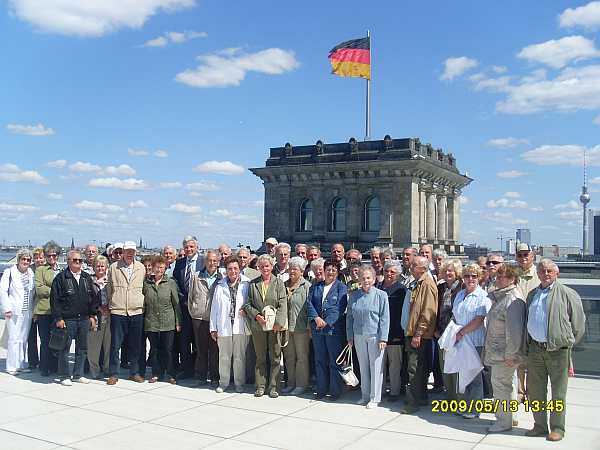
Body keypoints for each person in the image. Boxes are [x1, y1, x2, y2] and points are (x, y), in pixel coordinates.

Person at [525, 259, 586, 442]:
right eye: (542, 270)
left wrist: (567, 344)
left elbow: (578, 324)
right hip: (535, 349)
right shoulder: (532, 294)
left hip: (558, 351)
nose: (545, 274)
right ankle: (539, 426)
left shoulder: (568, 294)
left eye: (549, 271)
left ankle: (558, 428)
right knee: (536, 391)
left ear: (556, 272)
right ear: (537, 273)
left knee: (558, 392)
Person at [484, 263, 526, 433]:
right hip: (499, 350)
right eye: (498, 276)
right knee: (507, 385)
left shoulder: (512, 299)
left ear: (512, 279)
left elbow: (515, 331)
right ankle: (510, 417)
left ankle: (503, 421)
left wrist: (511, 354)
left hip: (504, 353)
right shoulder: (502, 296)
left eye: (503, 276)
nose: (498, 279)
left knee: (500, 386)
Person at [243, 254, 287, 398]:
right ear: (258, 268)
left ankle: (274, 387)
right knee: (260, 357)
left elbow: (282, 304)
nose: (265, 268)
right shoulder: (253, 283)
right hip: (258, 326)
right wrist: (256, 316)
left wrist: (278, 323)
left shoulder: (279, 283)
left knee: (275, 357)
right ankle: (260, 386)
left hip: (274, 327)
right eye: (262, 266)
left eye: (267, 266)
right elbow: (248, 304)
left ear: (271, 266)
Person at [50, 250, 97, 385]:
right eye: (75, 260)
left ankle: (78, 374)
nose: (78, 263)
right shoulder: (60, 278)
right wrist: (58, 318)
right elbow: (55, 300)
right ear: (68, 261)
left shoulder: (86, 277)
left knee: (82, 348)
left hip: (83, 319)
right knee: (64, 348)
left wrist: (92, 315)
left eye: (80, 260)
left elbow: (93, 298)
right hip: (67, 320)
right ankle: (64, 376)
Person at [347, 265, 390, 408]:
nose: (365, 280)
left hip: (375, 336)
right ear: (359, 279)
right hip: (358, 335)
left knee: (376, 367)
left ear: (373, 279)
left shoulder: (381, 295)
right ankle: (365, 395)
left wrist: (383, 338)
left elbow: (385, 318)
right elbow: (349, 318)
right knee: (363, 367)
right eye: (363, 278)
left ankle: (375, 398)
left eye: (368, 278)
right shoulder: (354, 296)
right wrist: (350, 336)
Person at [452, 263, 491, 419]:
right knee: (463, 375)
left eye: (473, 276)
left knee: (475, 376)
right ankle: (465, 405)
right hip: (461, 341)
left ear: (479, 278)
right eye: (467, 276)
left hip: (475, 341)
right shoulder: (460, 295)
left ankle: (475, 409)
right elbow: (455, 315)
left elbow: (479, 319)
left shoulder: (483, 296)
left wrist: (462, 331)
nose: (470, 279)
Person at [400, 256, 438, 414]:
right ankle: (420, 397)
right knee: (418, 368)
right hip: (414, 332)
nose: (411, 266)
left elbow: (428, 312)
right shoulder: (419, 282)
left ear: (423, 268)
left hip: (418, 335)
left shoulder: (427, 284)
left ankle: (413, 402)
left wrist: (418, 333)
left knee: (414, 369)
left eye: (414, 265)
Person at [106, 241, 146, 385]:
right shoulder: (114, 267)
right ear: (123, 252)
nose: (130, 254)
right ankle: (113, 373)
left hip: (136, 310)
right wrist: (113, 303)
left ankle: (134, 372)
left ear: (135, 253)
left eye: (132, 251)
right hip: (119, 310)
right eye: (127, 251)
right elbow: (109, 288)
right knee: (115, 344)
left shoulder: (141, 268)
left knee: (136, 344)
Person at [307, 259, 348, 400]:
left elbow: (339, 308)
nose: (330, 272)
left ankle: (335, 391)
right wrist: (316, 318)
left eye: (333, 270)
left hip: (333, 329)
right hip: (317, 328)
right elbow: (309, 304)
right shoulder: (315, 286)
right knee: (319, 359)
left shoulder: (341, 287)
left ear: (337, 273)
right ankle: (321, 389)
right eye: (328, 269)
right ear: (324, 271)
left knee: (334, 360)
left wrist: (327, 322)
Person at [210, 256, 251, 393]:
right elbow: (214, 308)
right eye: (229, 269)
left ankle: (239, 383)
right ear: (225, 270)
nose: (232, 271)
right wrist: (213, 328)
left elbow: (251, 304)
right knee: (224, 356)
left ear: (240, 269)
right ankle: (224, 382)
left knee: (239, 356)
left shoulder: (247, 283)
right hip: (224, 326)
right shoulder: (220, 285)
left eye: (235, 268)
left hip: (240, 325)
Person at [143, 256, 181, 384]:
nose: (159, 269)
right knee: (154, 349)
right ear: (152, 268)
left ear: (165, 269)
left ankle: (171, 373)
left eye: (161, 267)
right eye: (156, 267)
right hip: (151, 322)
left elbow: (176, 304)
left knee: (168, 349)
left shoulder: (170, 283)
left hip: (168, 322)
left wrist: (178, 322)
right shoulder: (147, 284)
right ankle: (156, 373)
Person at [172, 236, 204, 378]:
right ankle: (186, 370)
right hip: (184, 307)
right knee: (184, 341)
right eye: (186, 247)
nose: (189, 249)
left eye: (191, 246)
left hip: (199, 307)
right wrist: (183, 299)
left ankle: (199, 370)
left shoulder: (203, 262)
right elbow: (175, 283)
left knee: (198, 341)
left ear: (196, 247)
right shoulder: (179, 263)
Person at [188, 249, 221, 386]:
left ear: (218, 262)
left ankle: (214, 377)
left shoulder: (221, 278)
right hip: (199, 318)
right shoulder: (196, 276)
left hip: (215, 320)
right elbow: (191, 296)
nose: (211, 263)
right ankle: (200, 376)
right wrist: (194, 311)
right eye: (209, 260)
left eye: (214, 260)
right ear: (205, 262)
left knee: (215, 350)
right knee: (200, 349)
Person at [0, 249, 35, 375]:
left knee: (23, 338)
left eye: (28, 260)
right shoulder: (9, 272)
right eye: (23, 259)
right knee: (13, 338)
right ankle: (11, 366)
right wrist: (7, 309)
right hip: (13, 311)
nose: (26, 261)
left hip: (27, 311)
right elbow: (3, 291)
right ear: (18, 259)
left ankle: (20, 364)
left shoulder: (31, 273)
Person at [282, 257, 311, 395]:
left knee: (302, 358)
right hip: (286, 328)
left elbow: (310, 308)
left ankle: (301, 385)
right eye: (290, 268)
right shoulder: (283, 285)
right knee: (289, 358)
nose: (292, 271)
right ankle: (290, 383)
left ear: (302, 271)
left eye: (295, 269)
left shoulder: (307, 286)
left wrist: (309, 327)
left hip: (301, 328)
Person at [377, 260, 406, 401]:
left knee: (394, 365)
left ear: (398, 274)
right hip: (378, 333)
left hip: (395, 333)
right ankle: (379, 391)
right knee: (379, 364)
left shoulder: (402, 290)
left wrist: (399, 333)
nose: (389, 274)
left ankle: (394, 392)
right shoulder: (377, 287)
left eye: (392, 272)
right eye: (387, 271)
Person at [434, 258, 463, 401]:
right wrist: (435, 330)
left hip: (457, 334)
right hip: (441, 334)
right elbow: (435, 310)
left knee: (456, 367)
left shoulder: (462, 288)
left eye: (450, 270)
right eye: (445, 270)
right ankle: (450, 395)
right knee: (444, 366)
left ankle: (458, 397)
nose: (447, 273)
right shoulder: (440, 288)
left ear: (457, 272)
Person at [515, 242, 539, 403]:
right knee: (518, 359)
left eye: (526, 254)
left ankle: (532, 391)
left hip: (533, 322)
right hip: (517, 322)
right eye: (519, 255)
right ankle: (520, 391)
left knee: (533, 360)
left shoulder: (539, 273)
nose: (523, 258)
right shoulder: (513, 274)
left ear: (532, 256)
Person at [34, 240, 62, 376]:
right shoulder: (40, 270)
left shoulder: (62, 269)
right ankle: (44, 367)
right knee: (45, 340)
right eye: (49, 255)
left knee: (56, 340)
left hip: (58, 312)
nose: (52, 258)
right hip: (44, 311)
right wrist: (56, 291)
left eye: (54, 255)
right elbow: (39, 289)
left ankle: (55, 366)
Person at [87, 255, 111, 379]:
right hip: (95, 317)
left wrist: (109, 308)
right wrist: (99, 308)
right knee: (94, 346)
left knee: (109, 345)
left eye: (102, 265)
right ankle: (94, 370)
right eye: (98, 265)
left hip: (110, 317)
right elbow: (87, 299)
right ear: (93, 267)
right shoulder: (88, 281)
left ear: (107, 267)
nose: (100, 268)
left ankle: (107, 368)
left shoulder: (111, 280)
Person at [27, 247, 45, 372]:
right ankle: (33, 361)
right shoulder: (29, 271)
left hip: (43, 309)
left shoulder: (47, 270)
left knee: (44, 337)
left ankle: (45, 363)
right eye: (36, 257)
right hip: (30, 308)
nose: (39, 260)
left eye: (41, 257)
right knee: (31, 337)